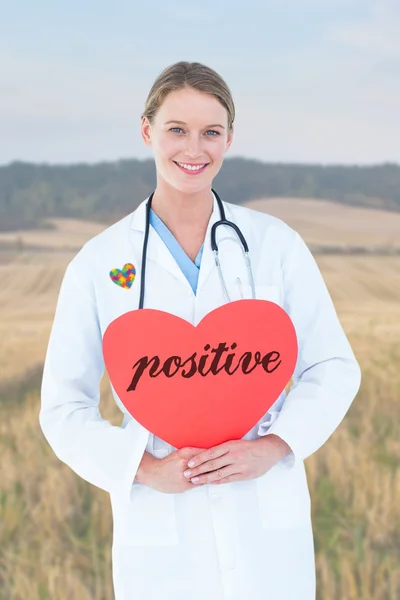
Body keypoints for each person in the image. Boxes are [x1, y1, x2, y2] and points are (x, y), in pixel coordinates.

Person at [39, 61, 362, 600]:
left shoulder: (273, 245)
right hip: (160, 532)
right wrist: (144, 470)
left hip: (265, 520)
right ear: (147, 131)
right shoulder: (99, 264)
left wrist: (273, 446)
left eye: (211, 132)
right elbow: (62, 407)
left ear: (229, 138)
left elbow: (332, 366)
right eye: (177, 130)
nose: (195, 148)